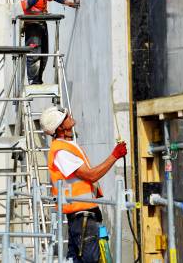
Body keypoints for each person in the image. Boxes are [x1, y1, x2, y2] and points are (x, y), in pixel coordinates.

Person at [40, 106, 127, 262]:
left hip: (83, 213)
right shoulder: (62, 152)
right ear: (59, 127)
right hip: (81, 215)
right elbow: (91, 175)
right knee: (90, 259)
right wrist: (114, 156)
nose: (69, 116)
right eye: (65, 117)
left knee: (75, 258)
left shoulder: (68, 145)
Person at [20, 0, 76, 85]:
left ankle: (39, 79)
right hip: (31, 24)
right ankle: (33, 80)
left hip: (42, 22)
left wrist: (67, 3)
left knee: (44, 53)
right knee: (34, 53)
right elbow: (25, 5)